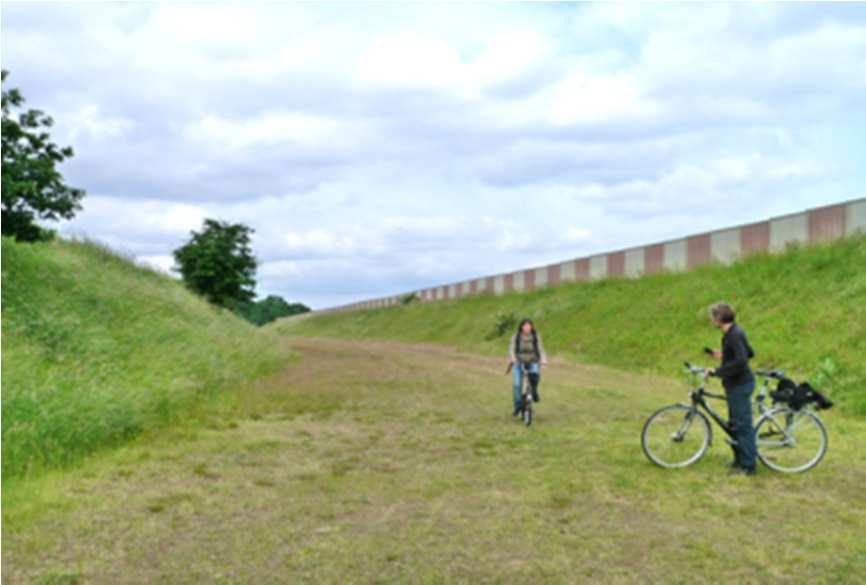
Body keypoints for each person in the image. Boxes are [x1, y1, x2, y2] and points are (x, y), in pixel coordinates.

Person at [705, 302, 757, 476]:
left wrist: (717, 371)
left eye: (713, 317)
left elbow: (742, 361)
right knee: (735, 425)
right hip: (735, 385)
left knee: (742, 426)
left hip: (740, 385)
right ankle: (739, 460)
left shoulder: (733, 334)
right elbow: (749, 353)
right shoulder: (732, 333)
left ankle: (748, 466)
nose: (711, 320)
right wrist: (723, 355)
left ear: (719, 318)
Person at [509, 318, 548, 416]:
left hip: (533, 361)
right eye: (525, 326)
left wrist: (543, 359)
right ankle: (518, 407)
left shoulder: (535, 336)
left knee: (534, 377)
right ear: (521, 327)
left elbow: (540, 349)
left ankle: (533, 393)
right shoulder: (516, 336)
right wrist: (513, 359)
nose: (528, 327)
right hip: (519, 363)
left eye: (529, 325)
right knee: (517, 385)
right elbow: (511, 349)